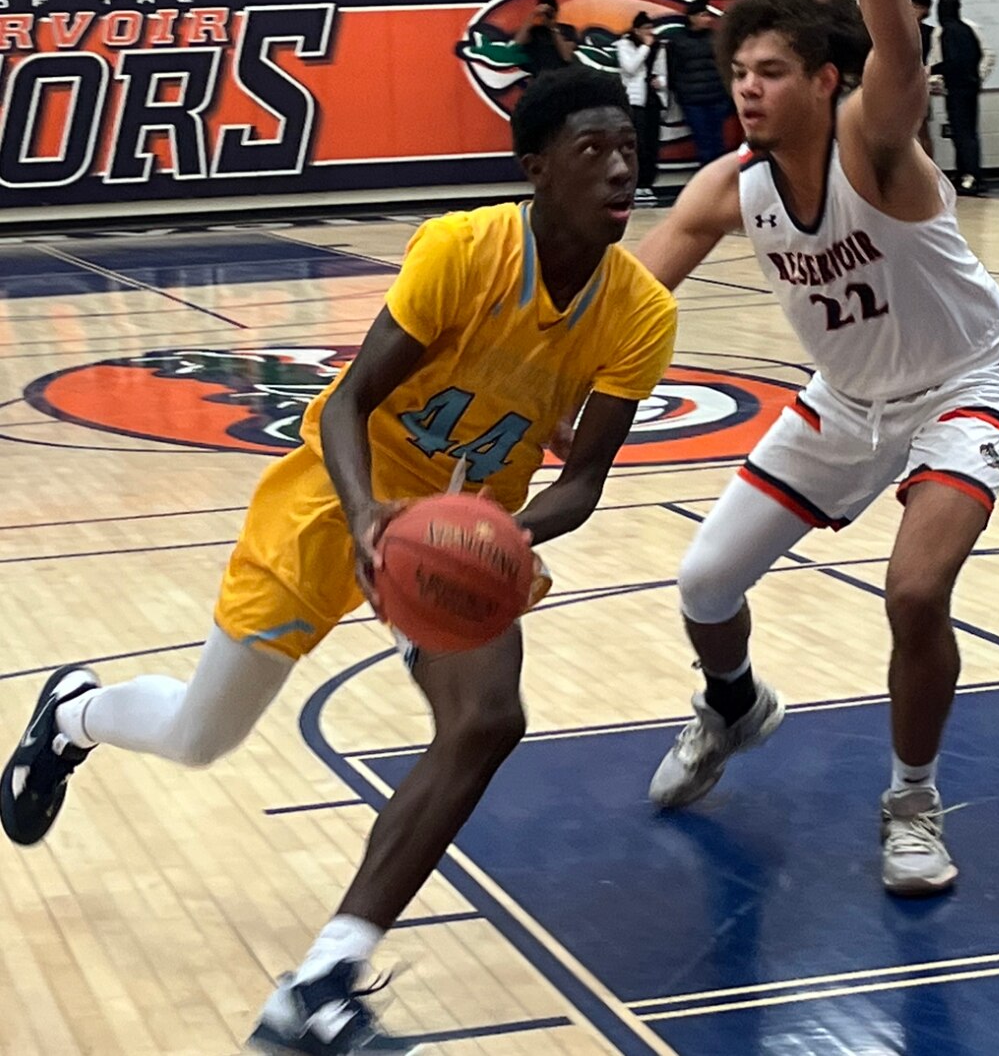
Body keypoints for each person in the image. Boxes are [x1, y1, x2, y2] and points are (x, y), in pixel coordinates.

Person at [0, 67, 677, 1054]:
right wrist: (371, 521)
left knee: (489, 717)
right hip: (340, 495)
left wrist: (499, 539)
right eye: (594, 151)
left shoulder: (638, 311)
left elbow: (581, 482)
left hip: (464, 526)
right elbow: (354, 399)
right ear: (536, 168)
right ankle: (74, 712)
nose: (623, 170)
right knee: (201, 735)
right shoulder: (464, 249)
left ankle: (322, 980)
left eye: (631, 149)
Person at [633, 0, 999, 896]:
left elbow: (899, 67)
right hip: (845, 398)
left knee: (913, 592)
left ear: (822, 80)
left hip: (965, 383)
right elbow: (628, 298)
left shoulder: (873, 145)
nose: (748, 88)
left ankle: (911, 800)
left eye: (770, 70)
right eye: (740, 72)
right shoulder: (732, 186)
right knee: (705, 580)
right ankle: (732, 706)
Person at [929, 0, 995, 195]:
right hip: (970, 87)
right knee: (967, 133)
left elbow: (942, 61)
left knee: (962, 133)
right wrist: (978, 78)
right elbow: (988, 54)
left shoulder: (942, 32)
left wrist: (934, 77)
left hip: (957, 88)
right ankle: (967, 173)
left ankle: (971, 176)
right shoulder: (970, 28)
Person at [667, 0, 734, 169]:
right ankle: (708, 181)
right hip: (694, 101)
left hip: (716, 98)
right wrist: (681, 93)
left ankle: (719, 179)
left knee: (717, 142)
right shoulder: (678, 41)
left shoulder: (716, 38)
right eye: (703, 15)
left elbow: (726, 65)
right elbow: (672, 70)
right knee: (703, 143)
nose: (708, 19)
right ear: (692, 17)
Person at [618, 10, 668, 205]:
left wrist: (661, 82)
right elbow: (630, 67)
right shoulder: (625, 44)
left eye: (651, 28)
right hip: (635, 100)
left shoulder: (659, 47)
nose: (649, 32)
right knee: (637, 144)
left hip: (652, 99)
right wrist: (645, 47)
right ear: (636, 30)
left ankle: (648, 183)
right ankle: (634, 185)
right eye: (645, 29)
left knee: (652, 143)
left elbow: (662, 73)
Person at [513, 0, 578, 77]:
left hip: (561, 78)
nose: (545, 16)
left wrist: (553, 28)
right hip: (538, 78)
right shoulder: (534, 31)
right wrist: (532, 16)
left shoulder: (568, 30)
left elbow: (567, 57)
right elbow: (516, 45)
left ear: (556, 12)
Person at [909, 0, 935, 158]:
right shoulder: (897, 30)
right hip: (899, 83)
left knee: (923, 129)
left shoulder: (931, 33)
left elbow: (935, 58)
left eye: (918, 8)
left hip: (920, 82)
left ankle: (930, 170)